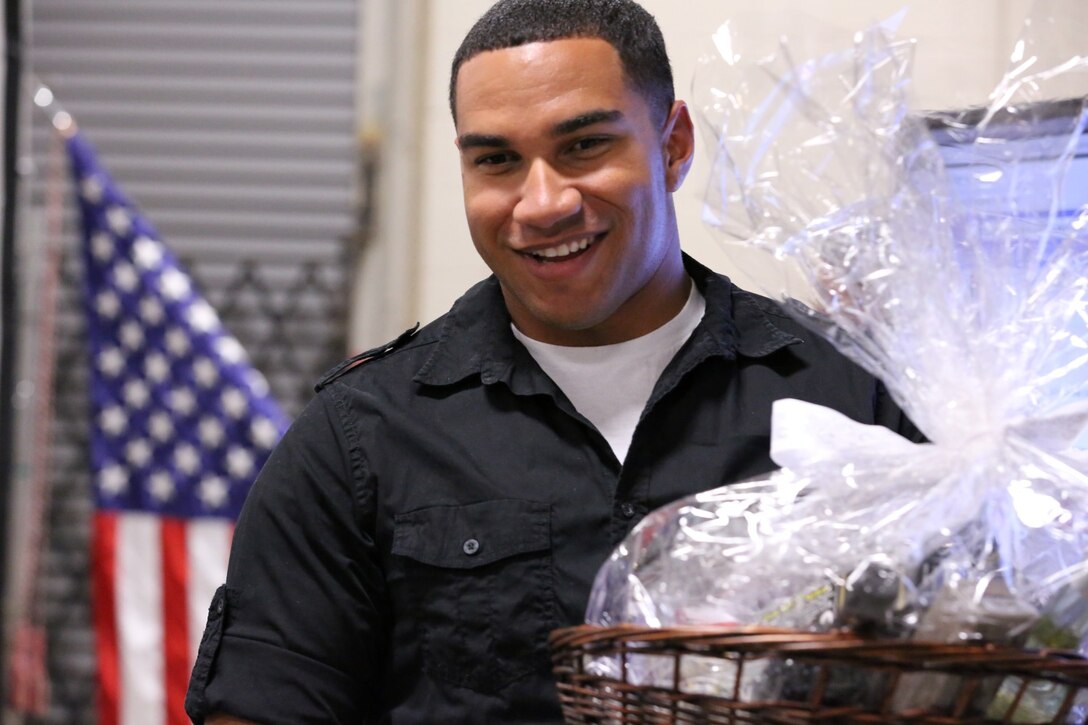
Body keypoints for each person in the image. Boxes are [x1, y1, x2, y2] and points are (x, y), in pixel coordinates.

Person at [185, 0, 918, 722]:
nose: (541, 203)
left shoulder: (850, 391)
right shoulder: (358, 439)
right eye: (498, 160)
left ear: (673, 145)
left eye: (583, 146)